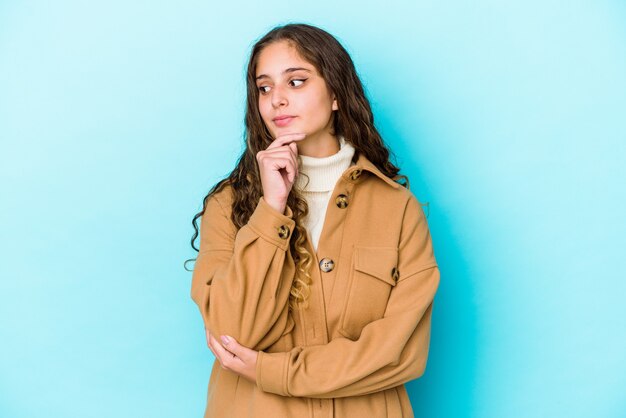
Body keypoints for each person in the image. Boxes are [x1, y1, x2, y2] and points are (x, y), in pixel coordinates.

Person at [189, 22, 440, 418]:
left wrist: (273, 371)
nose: (277, 101)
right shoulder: (229, 206)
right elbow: (232, 334)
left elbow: (401, 353)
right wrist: (271, 208)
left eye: (297, 82)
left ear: (337, 94)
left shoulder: (398, 209)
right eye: (264, 88)